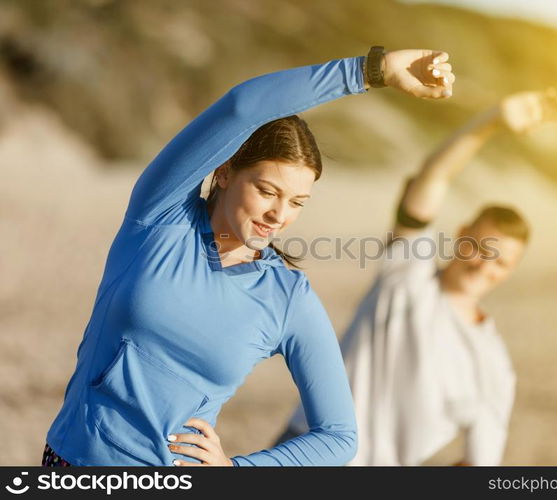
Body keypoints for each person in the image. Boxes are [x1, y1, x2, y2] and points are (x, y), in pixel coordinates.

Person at [42, 47, 456, 466]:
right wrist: (371, 70)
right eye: (267, 191)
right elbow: (242, 108)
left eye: (297, 201)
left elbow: (339, 436)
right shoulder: (161, 217)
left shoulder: (286, 297)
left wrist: (238, 470)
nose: (279, 215)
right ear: (223, 172)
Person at [276, 89, 557, 465]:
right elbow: (433, 177)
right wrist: (492, 120)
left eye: (500, 262)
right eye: (480, 248)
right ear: (461, 235)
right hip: (305, 452)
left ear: (511, 271)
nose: (483, 266)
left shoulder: (494, 366)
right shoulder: (407, 274)